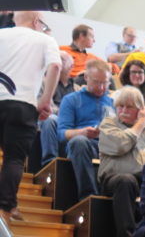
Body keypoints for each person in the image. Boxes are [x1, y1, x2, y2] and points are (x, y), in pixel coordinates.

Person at [0, 11, 60, 223]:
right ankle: (5, 210)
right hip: (23, 104)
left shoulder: (2, 34)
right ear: (36, 22)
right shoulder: (45, 39)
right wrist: (45, 100)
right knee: (14, 159)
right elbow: (55, 65)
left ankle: (11, 205)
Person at [97, 86, 145, 237]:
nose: (123, 110)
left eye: (129, 106)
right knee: (126, 180)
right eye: (120, 106)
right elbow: (119, 145)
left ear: (141, 109)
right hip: (115, 180)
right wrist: (140, 124)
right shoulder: (109, 124)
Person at [58, 59, 114, 200]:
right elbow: (61, 133)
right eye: (97, 82)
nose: (101, 87)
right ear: (86, 78)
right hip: (82, 145)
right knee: (79, 141)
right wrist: (82, 132)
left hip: (107, 145)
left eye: (105, 83)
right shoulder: (71, 100)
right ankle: (89, 197)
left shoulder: (113, 102)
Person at [38, 51, 76, 166]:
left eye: (62, 59)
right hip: (52, 117)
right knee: (49, 119)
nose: (58, 61)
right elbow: (45, 107)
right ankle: (50, 162)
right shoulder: (43, 82)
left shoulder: (78, 89)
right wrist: (65, 113)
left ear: (72, 66)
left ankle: (73, 161)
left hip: (72, 122)